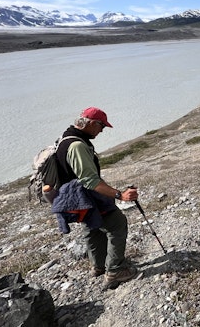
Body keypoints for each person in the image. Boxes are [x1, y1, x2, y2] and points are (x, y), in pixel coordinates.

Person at [53, 107, 139, 288]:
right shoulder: (77, 146)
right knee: (117, 224)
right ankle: (115, 271)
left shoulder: (65, 138)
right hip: (86, 197)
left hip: (73, 199)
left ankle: (98, 266)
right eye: (102, 127)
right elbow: (90, 181)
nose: (101, 131)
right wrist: (120, 195)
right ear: (92, 123)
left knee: (92, 227)